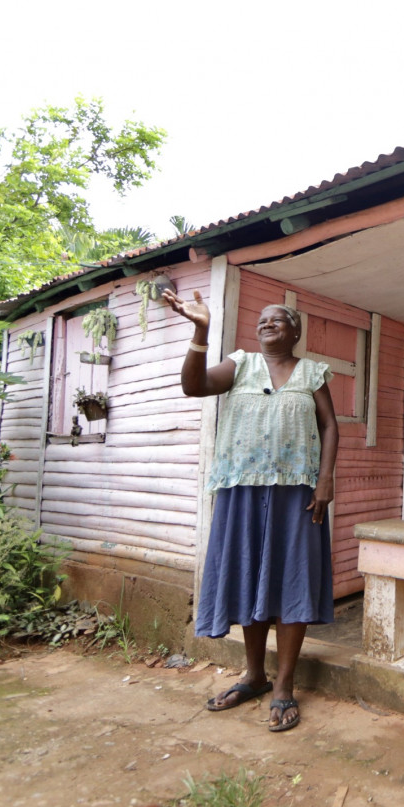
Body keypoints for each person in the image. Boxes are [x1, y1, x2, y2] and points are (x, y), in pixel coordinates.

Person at [162, 288, 339, 732]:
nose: (266, 324)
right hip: (241, 488)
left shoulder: (312, 372)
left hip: (298, 491)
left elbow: (329, 425)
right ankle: (255, 676)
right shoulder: (240, 364)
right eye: (261, 320)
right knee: (249, 578)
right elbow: (194, 386)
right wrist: (200, 331)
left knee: (293, 578)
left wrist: (325, 479)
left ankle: (284, 684)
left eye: (277, 319)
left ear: (295, 331)